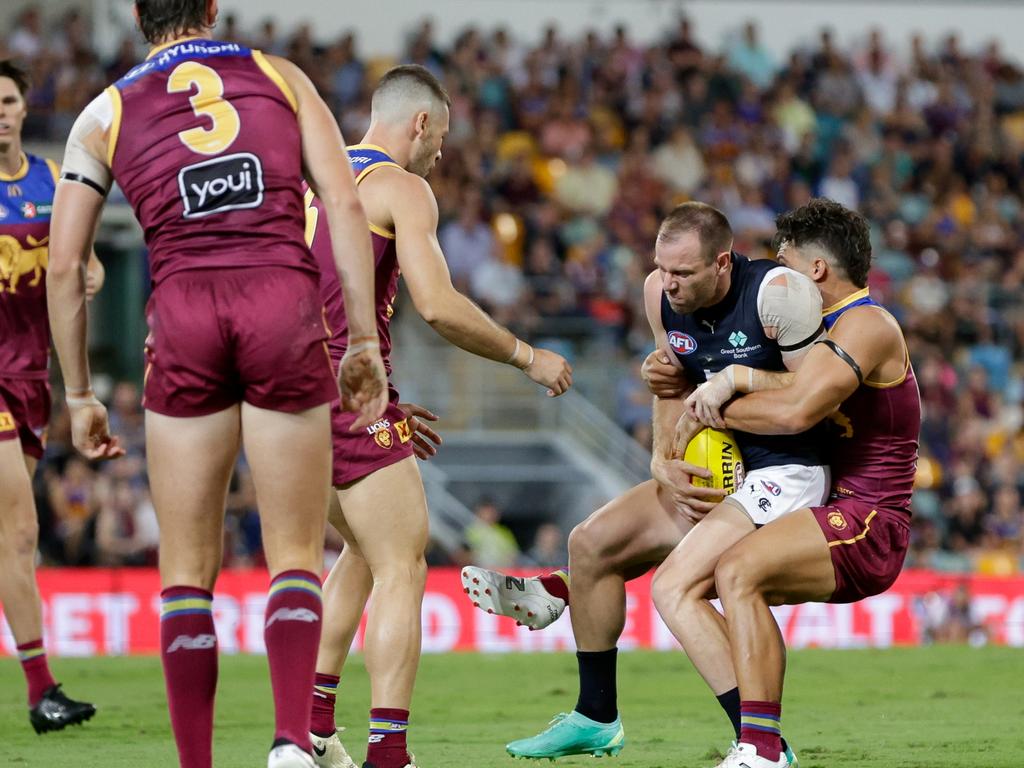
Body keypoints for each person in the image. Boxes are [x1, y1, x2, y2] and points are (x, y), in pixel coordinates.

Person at [45, 3, 388, 767]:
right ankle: (293, 743)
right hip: (281, 300)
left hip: (183, 312)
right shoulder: (281, 76)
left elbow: (65, 264)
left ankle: (196, 764)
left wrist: (77, 395)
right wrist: (362, 337)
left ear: (138, 16)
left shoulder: (103, 112)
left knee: (185, 568)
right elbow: (346, 202)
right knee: (295, 552)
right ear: (211, 7)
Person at [463, 202, 825, 762]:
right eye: (662, 268)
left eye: (684, 272)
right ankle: (595, 715)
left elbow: (815, 396)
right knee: (592, 545)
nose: (669, 283)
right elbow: (671, 386)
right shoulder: (659, 293)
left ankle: (764, 746)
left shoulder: (777, 294)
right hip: (715, 467)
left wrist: (732, 382)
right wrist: (661, 461)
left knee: (676, 587)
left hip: (787, 470)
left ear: (723, 264)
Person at [303, 64, 573, 768]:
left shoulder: (308, 174)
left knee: (362, 550)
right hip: (345, 385)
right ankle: (388, 753)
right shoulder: (399, 186)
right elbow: (439, 304)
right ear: (419, 124)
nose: (441, 154)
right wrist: (526, 356)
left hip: (280, 394)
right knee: (401, 563)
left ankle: (312, 726)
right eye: (442, 137)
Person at [664, 199, 921, 768]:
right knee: (691, 575)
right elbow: (776, 390)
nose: (774, 277)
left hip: (868, 520)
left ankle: (761, 750)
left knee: (737, 571)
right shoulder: (814, 334)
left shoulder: (867, 324)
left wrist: (716, 400)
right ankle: (758, 741)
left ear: (817, 271)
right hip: (829, 505)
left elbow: (796, 411)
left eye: (784, 264)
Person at [0, 58, 103, 734]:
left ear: (22, 108)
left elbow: (82, 257)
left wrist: (89, 270)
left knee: (11, 545)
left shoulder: (47, 179)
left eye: (6, 100)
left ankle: (41, 689)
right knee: (22, 531)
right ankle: (42, 693)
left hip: (30, 380)